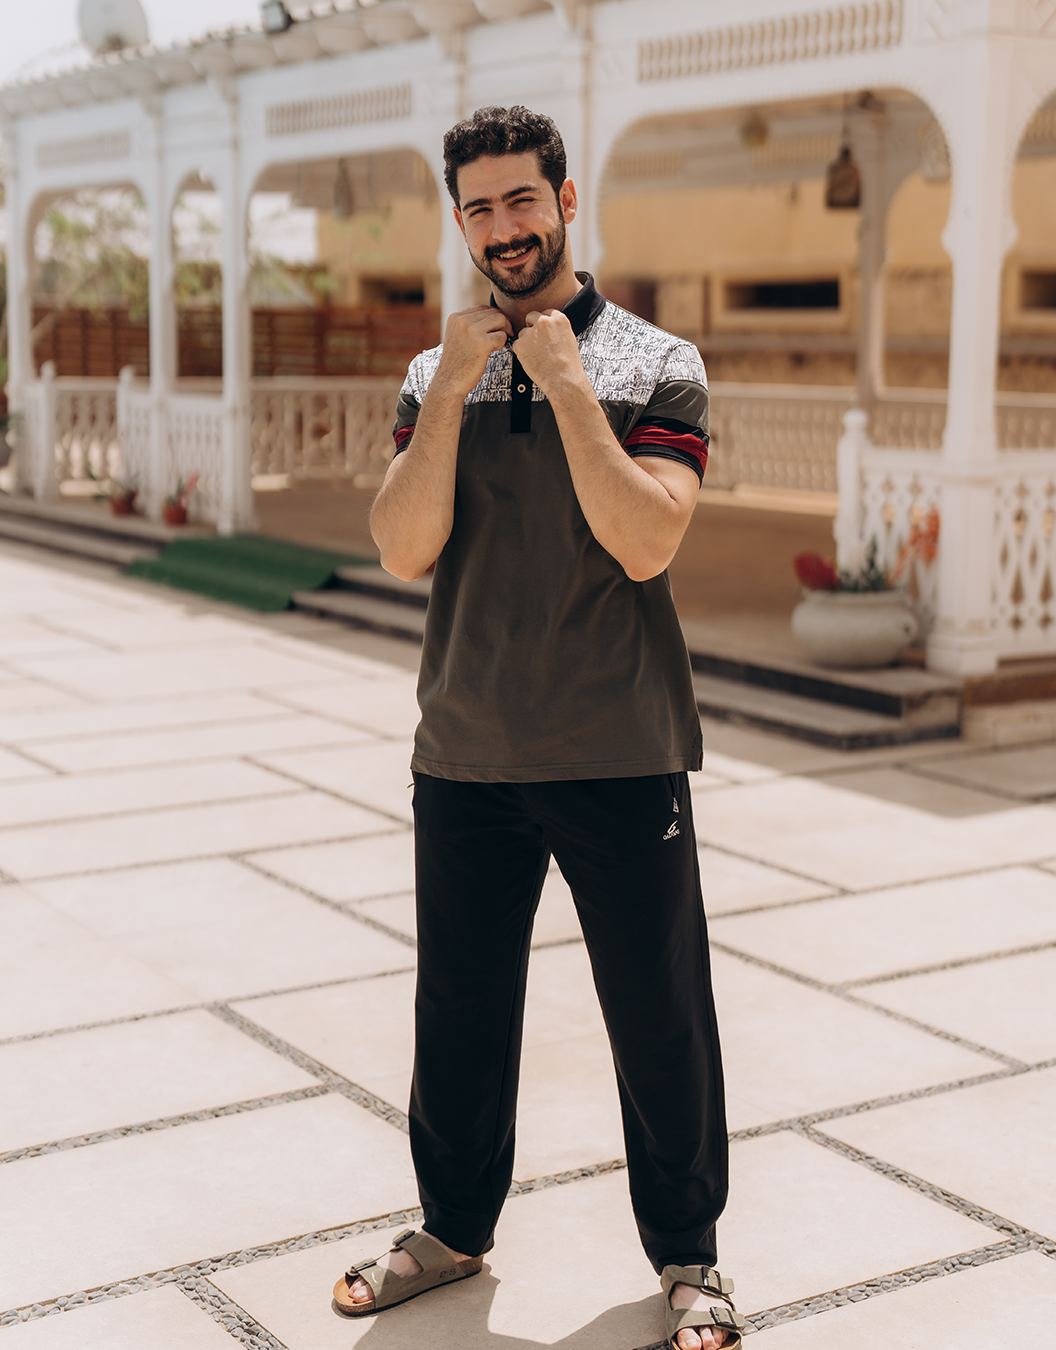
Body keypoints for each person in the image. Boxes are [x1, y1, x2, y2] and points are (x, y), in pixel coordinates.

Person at [330, 105, 743, 1350]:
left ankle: (690, 1258)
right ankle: (451, 1230)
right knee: (458, 1008)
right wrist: (457, 383)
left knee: (658, 1015)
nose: (504, 227)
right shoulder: (431, 374)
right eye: (480, 208)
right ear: (459, 222)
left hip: (620, 748)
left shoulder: (658, 361)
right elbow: (402, 547)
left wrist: (565, 385)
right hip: (466, 749)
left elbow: (647, 538)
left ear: (565, 199)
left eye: (523, 199)